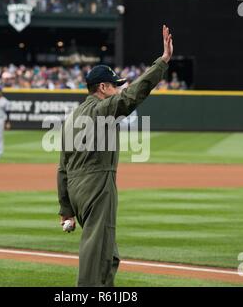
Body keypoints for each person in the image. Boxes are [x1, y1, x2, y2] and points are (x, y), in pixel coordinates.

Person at [57, 25, 173, 286]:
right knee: (95, 252)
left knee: (108, 254)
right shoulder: (101, 110)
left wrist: (66, 209)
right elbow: (134, 95)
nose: (120, 88)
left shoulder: (71, 117)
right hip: (97, 186)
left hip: (77, 190)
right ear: (102, 87)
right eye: (115, 85)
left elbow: (62, 168)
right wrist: (162, 62)